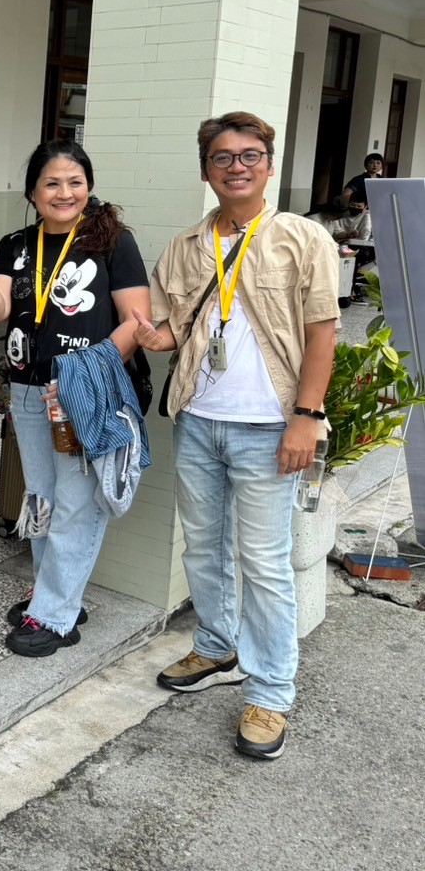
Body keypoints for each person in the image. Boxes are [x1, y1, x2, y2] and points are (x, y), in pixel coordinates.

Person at [135, 111, 338, 761]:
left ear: (268, 166)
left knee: (264, 564)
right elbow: (174, 330)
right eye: (223, 157)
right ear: (206, 170)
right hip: (198, 420)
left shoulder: (299, 239)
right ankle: (216, 646)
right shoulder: (186, 246)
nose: (236, 166)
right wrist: (150, 336)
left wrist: (306, 417)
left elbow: (321, 334)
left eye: (250, 155)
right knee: (203, 548)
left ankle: (270, 692)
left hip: (270, 429)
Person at [0, 139, 149, 658]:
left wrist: (80, 375)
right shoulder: (16, 244)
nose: (64, 192)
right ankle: (53, 589)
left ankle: (55, 614)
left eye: (75, 182)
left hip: (83, 391)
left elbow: (137, 322)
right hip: (27, 386)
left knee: (76, 500)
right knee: (42, 496)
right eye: (52, 183)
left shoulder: (112, 241)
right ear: (33, 192)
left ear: (88, 187)